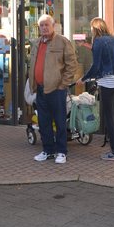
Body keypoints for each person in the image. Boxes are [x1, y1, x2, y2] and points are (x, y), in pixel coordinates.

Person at [29, 14, 77, 164]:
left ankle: (61, 152)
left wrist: (63, 84)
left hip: (56, 89)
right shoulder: (37, 43)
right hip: (40, 89)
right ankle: (48, 150)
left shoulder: (62, 41)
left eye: (46, 25)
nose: (44, 27)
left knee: (60, 121)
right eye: (41, 25)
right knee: (43, 122)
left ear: (53, 26)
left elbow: (72, 64)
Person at [76, 17, 114, 161]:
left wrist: (83, 78)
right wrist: (85, 44)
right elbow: (105, 54)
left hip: (108, 84)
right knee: (111, 117)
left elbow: (96, 66)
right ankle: (113, 146)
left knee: (109, 118)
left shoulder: (98, 41)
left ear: (94, 29)